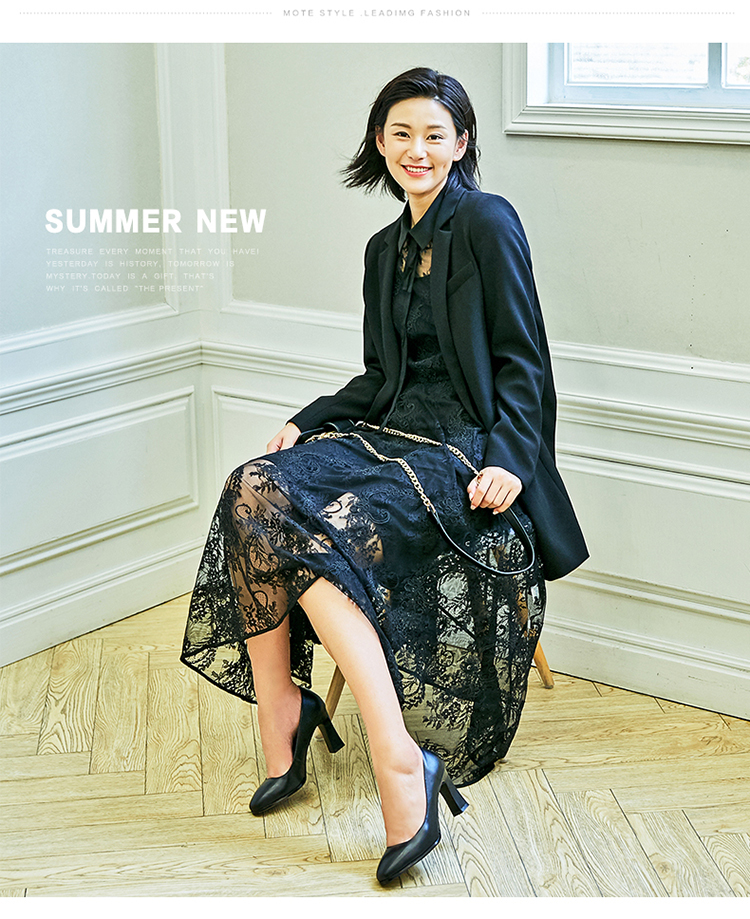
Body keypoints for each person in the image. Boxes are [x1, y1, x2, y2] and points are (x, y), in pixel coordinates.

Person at [182, 66, 588, 885]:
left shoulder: (488, 222)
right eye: (402, 133)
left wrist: (511, 459)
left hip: (464, 449)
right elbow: (380, 376)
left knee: (304, 530)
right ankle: (283, 709)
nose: (418, 149)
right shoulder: (383, 249)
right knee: (252, 484)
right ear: (380, 142)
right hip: (388, 435)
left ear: (462, 144)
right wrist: (310, 417)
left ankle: (398, 755)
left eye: (436, 134)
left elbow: (525, 361)